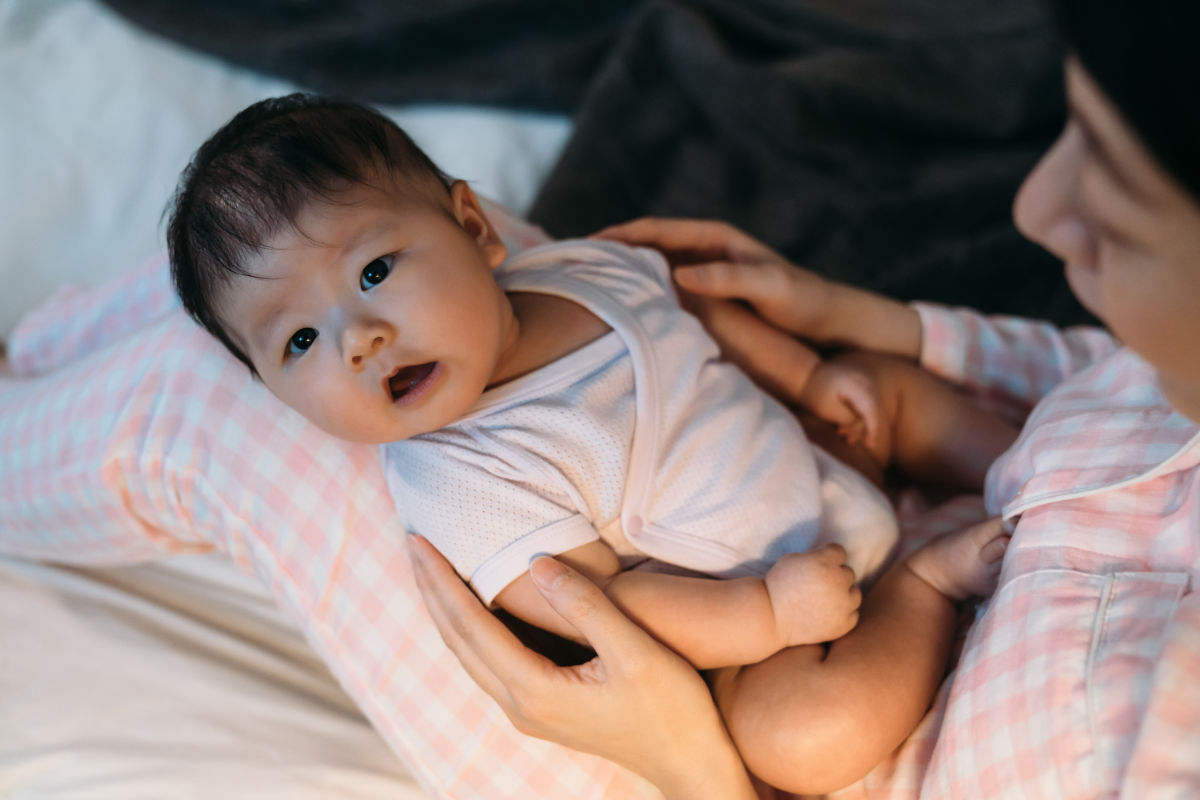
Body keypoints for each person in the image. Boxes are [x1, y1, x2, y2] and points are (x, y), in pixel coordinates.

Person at [410, 1, 1200, 797]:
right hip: (826, 558)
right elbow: (1101, 361)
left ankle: (919, 582)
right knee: (878, 400)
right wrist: (859, 327)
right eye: (1072, 129)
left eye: (1122, 212)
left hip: (847, 623)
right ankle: (956, 526)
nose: (1031, 207)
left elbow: (679, 318)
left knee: (797, 739)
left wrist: (689, 766)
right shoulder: (1158, 370)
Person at [166, 94, 1018, 793]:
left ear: (473, 226)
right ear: (276, 393)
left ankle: (1038, 468)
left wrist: (802, 377)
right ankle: (925, 586)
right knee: (800, 739)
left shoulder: (576, 271)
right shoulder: (460, 482)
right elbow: (612, 606)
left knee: (882, 386)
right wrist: (768, 614)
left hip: (820, 458)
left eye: (374, 272)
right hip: (766, 622)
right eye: (299, 343)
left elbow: (693, 314)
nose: (357, 338)